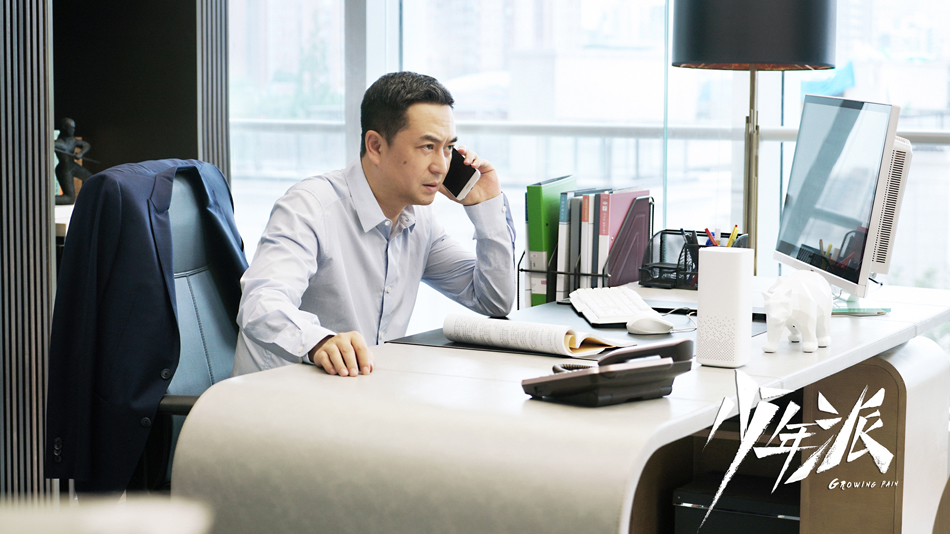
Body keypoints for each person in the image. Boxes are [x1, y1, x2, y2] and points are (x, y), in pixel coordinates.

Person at [232, 71, 517, 378]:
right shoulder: (310, 207)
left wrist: (486, 205)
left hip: (363, 391)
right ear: (376, 146)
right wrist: (320, 342)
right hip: (280, 393)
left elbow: (493, 300)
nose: (441, 166)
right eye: (427, 147)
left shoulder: (418, 220)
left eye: (448, 148)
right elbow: (260, 303)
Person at [54, 118, 93, 205]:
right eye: (71, 128)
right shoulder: (57, 143)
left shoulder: (72, 140)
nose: (73, 130)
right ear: (64, 128)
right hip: (64, 170)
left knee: (93, 180)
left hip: (73, 166)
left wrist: (81, 153)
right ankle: (46, 199)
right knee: (70, 198)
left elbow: (86, 145)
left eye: (73, 128)